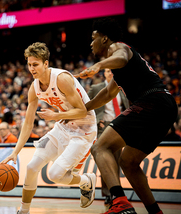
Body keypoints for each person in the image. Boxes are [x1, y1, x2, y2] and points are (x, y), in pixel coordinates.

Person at [76, 18, 178, 214]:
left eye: (93, 38)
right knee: (128, 163)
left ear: (105, 39)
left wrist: (98, 65)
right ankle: (155, 211)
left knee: (100, 147)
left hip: (152, 102)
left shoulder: (118, 47)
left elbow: (121, 58)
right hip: (165, 108)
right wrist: (84, 109)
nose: (91, 43)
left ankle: (120, 202)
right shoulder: (119, 68)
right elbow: (107, 94)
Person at [1, 42, 98, 214]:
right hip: (64, 125)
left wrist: (55, 116)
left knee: (54, 175)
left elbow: (83, 110)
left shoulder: (61, 78)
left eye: (35, 64)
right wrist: (16, 151)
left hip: (84, 128)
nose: (31, 68)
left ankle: (86, 180)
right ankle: (24, 211)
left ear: (46, 64)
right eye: (29, 64)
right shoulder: (34, 87)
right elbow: (28, 123)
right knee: (31, 168)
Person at [87, 68, 129, 210]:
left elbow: (127, 106)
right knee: (104, 160)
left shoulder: (123, 87)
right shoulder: (96, 88)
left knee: (116, 162)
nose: (110, 73)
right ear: (104, 73)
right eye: (107, 71)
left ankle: (116, 193)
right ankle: (108, 194)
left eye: (112, 70)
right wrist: (94, 121)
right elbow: (87, 106)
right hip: (103, 126)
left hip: (119, 126)